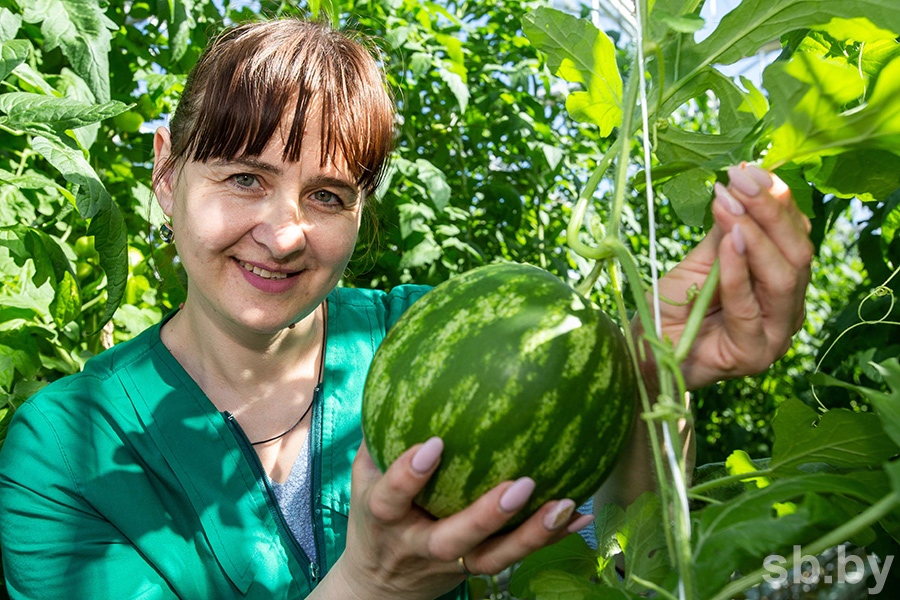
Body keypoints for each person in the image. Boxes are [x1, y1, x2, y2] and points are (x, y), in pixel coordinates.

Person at [0, 17, 812, 600]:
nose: (283, 235)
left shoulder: (427, 333)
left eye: (326, 194)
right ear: (168, 172)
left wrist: (640, 386)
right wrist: (372, 587)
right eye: (244, 178)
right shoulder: (62, 451)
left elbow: (627, 567)